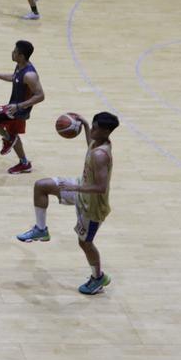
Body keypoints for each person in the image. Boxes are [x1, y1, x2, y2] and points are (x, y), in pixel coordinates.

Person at [16, 111, 118, 295]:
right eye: (92, 126)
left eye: (95, 128)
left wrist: (75, 188)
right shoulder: (97, 142)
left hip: (93, 206)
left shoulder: (101, 155)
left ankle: (98, 277)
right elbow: (90, 146)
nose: (92, 130)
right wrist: (85, 124)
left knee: (85, 244)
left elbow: (101, 187)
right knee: (41, 186)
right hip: (80, 188)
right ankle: (41, 230)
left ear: (106, 131)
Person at [0, 40, 44, 174]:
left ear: (21, 55)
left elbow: (40, 96)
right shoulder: (20, 66)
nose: (12, 53)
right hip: (15, 107)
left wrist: (19, 106)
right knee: (14, 134)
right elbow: (14, 78)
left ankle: (8, 138)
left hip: (18, 110)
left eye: (15, 52)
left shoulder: (30, 75)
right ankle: (24, 163)